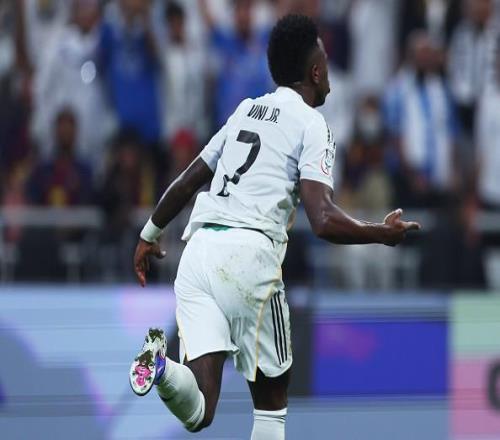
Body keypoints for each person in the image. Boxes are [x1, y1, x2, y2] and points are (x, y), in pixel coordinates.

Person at [129, 14, 420, 439]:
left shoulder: (245, 110)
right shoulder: (312, 124)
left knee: (199, 410)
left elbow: (190, 180)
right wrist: (381, 233)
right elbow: (322, 219)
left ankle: (160, 368)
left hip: (199, 253)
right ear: (315, 71)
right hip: (250, 258)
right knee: (271, 405)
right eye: (324, 57)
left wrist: (148, 234)